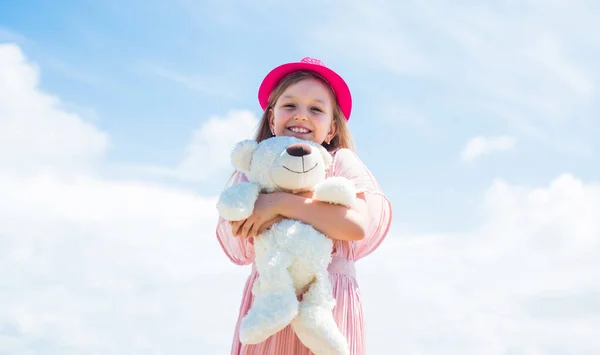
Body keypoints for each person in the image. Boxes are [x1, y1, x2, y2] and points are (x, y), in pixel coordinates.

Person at [216, 57, 392, 354]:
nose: (301, 115)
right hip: (271, 304)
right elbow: (238, 234)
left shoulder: (340, 163)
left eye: (316, 109)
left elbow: (356, 225)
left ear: (332, 128)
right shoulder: (254, 172)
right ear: (272, 120)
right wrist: (312, 210)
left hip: (328, 307)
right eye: (290, 105)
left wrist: (279, 202)